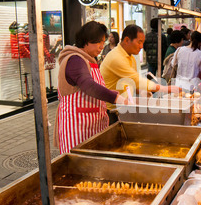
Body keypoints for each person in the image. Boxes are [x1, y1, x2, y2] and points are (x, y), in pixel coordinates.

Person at [53, 21, 127, 154]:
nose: (101, 46)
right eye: (98, 42)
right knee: (77, 164)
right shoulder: (75, 60)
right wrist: (115, 97)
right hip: (77, 126)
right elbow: (88, 86)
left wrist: (111, 93)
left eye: (103, 42)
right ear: (86, 41)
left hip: (91, 124)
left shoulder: (89, 59)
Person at [100, 24, 181, 124]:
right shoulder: (116, 57)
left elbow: (132, 81)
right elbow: (136, 80)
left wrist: (142, 91)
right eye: (139, 42)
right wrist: (164, 88)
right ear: (126, 40)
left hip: (125, 106)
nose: (142, 46)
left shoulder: (131, 57)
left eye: (143, 42)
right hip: (111, 110)